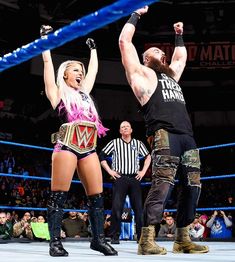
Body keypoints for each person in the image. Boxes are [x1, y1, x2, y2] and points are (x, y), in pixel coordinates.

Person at [118, 6, 209, 255]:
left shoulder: (171, 77)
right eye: (157, 51)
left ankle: (182, 239)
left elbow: (180, 58)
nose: (163, 54)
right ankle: (146, 240)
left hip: (187, 137)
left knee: (193, 186)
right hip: (163, 134)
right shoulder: (142, 74)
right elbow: (125, 42)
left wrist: (178, 34)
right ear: (147, 58)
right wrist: (136, 15)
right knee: (162, 185)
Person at [40, 25, 117, 256]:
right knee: (59, 194)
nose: (80, 73)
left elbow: (93, 72)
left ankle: (98, 239)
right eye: (75, 69)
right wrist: (45, 39)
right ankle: (54, 243)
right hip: (66, 146)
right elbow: (46, 64)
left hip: (89, 147)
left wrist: (93, 51)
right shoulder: (58, 93)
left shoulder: (85, 93)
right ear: (65, 73)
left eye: (80, 70)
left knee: (96, 195)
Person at [99, 121, 151, 244]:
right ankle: (114, 236)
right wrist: (110, 171)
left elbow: (148, 156)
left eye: (127, 126)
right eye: (122, 127)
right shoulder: (115, 143)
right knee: (117, 207)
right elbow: (101, 155)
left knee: (138, 208)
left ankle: (141, 237)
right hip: (120, 178)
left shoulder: (138, 143)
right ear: (120, 131)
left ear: (131, 130)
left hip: (135, 178)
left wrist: (143, 171)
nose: (125, 128)